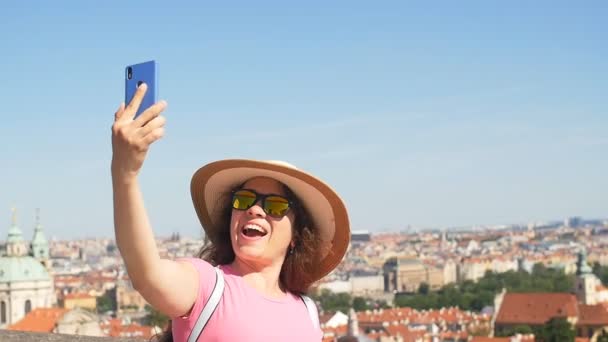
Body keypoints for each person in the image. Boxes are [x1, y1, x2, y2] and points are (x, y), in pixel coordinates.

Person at [111, 84, 351, 341]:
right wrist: (125, 173)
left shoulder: (308, 312)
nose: (255, 209)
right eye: (244, 200)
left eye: (275, 206)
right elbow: (148, 275)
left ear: (296, 236)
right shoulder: (208, 286)